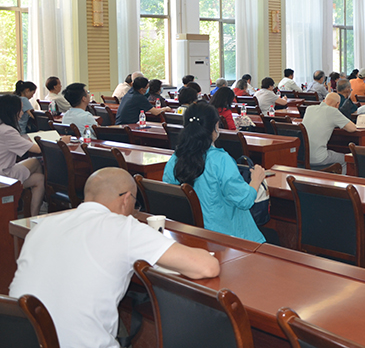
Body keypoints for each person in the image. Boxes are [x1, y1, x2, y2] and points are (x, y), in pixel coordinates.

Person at [9, 167, 220, 348]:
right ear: (126, 199)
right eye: (135, 204)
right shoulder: (123, 228)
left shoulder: (43, 226)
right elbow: (206, 267)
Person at [163, 102, 268, 242]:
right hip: (228, 239)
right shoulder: (221, 160)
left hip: (189, 235)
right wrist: (256, 179)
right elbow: (244, 201)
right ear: (216, 126)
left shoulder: (176, 158)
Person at [0, 95, 63, 216]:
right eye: (20, 110)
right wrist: (60, 140)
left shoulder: (3, 128)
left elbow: (17, 141)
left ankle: (34, 212)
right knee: (35, 162)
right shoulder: (8, 131)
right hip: (4, 176)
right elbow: (38, 149)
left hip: (3, 172)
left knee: (39, 178)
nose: (22, 113)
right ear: (12, 111)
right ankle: (36, 212)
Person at [303, 93, 357, 173]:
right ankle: (340, 181)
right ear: (337, 104)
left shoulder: (309, 108)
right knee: (347, 159)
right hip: (318, 158)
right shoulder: (333, 111)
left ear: (324, 101)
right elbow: (352, 128)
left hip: (303, 156)